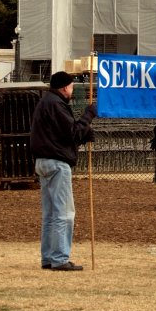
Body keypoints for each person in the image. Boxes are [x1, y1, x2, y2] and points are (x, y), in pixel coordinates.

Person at [30, 71, 97, 271]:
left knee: (50, 213)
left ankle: (48, 257)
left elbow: (61, 134)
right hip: (57, 163)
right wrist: (88, 115)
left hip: (43, 161)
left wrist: (83, 135)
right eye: (71, 86)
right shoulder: (57, 105)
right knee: (64, 213)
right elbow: (72, 132)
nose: (73, 89)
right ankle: (60, 258)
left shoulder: (46, 103)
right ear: (64, 87)